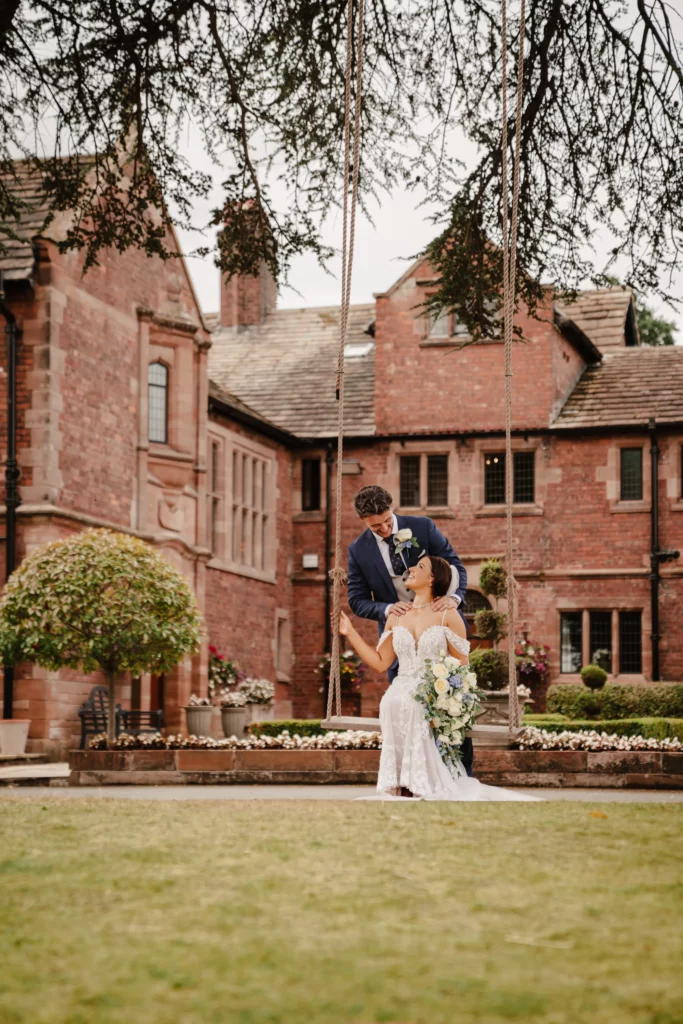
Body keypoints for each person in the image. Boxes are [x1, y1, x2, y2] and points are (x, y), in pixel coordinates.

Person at [340, 554, 538, 801]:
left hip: (428, 695)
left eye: (420, 566)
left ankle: (418, 785)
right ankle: (399, 785)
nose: (411, 569)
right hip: (397, 692)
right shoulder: (397, 614)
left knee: (416, 705)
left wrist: (446, 696)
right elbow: (381, 663)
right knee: (394, 702)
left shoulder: (447, 614)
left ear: (433, 578)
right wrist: (350, 633)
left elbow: (462, 667)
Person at [346, 484, 474, 775]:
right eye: (375, 526)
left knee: (453, 699)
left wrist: (454, 598)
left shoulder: (423, 527)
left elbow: (455, 567)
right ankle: (412, 775)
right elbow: (356, 599)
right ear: (364, 521)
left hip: (437, 626)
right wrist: (387, 609)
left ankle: (461, 773)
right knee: (404, 708)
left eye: (388, 521)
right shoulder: (358, 550)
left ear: (392, 508)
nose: (384, 529)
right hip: (400, 634)